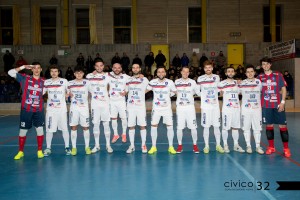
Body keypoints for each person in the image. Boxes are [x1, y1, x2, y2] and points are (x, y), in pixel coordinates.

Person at [8, 63, 45, 159]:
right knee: (22, 132)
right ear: (31, 70)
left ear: (41, 69)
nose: (36, 70)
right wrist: (23, 66)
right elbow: (10, 72)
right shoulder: (25, 78)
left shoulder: (45, 81)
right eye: (34, 68)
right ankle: (20, 152)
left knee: (40, 130)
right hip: (26, 110)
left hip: (39, 110)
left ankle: (40, 151)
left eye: (38, 68)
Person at [257, 57, 291, 157]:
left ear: (270, 64)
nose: (265, 66)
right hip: (266, 106)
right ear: (261, 66)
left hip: (278, 105)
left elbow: (283, 89)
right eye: (263, 64)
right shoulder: (259, 77)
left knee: (282, 126)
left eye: (267, 64)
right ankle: (271, 147)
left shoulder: (278, 75)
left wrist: (283, 102)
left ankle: (286, 148)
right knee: (269, 126)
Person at [147, 67, 177, 154]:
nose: (160, 73)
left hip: (167, 109)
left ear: (165, 73)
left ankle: (171, 147)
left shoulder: (170, 82)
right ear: (156, 73)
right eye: (159, 72)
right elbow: (144, 90)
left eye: (162, 72)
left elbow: (176, 92)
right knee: (153, 126)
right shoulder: (152, 82)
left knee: (170, 127)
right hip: (156, 109)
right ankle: (153, 147)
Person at [197, 60, 225, 154]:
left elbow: (219, 89)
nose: (208, 69)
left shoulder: (217, 77)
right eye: (206, 68)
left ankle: (218, 145)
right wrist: (203, 96)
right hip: (205, 106)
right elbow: (197, 91)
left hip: (215, 106)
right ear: (204, 69)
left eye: (209, 67)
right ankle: (206, 146)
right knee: (206, 127)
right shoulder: (200, 78)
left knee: (217, 126)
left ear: (212, 68)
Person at [86, 59, 113, 154]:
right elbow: (87, 89)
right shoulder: (89, 76)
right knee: (96, 125)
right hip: (94, 105)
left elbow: (120, 76)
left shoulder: (108, 76)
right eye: (97, 66)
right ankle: (97, 145)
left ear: (104, 66)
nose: (99, 67)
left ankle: (108, 145)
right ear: (94, 67)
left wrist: (140, 75)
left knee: (106, 125)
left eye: (101, 65)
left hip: (105, 105)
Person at [43, 65, 71, 156]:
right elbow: (41, 92)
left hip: (62, 110)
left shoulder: (64, 81)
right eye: (52, 71)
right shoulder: (46, 82)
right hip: (51, 110)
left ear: (58, 72)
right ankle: (48, 148)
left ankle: (67, 147)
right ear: (50, 72)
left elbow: (70, 90)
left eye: (55, 71)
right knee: (49, 130)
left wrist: (68, 94)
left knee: (65, 129)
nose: (54, 73)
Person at [218, 66, 245, 153]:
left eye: (232, 71)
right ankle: (225, 144)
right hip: (227, 109)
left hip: (236, 109)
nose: (230, 73)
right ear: (226, 73)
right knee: (225, 128)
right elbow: (217, 94)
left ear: (234, 73)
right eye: (228, 71)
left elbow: (243, 92)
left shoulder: (238, 83)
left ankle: (236, 145)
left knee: (235, 127)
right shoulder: (221, 83)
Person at [239, 65, 264, 154]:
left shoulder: (259, 82)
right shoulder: (241, 83)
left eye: (251, 71)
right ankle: (248, 146)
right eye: (248, 72)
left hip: (257, 109)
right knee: (246, 128)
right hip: (246, 109)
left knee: (257, 128)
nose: (250, 73)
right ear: (245, 73)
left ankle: (258, 146)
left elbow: (263, 92)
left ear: (254, 72)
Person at [175, 66, 200, 154]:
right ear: (181, 72)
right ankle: (179, 145)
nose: (185, 73)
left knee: (193, 127)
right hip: (180, 107)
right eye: (184, 71)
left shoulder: (193, 82)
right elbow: (171, 91)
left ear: (189, 73)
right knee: (179, 127)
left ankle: (195, 145)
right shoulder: (176, 82)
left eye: (187, 72)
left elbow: (199, 92)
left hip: (190, 107)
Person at [125, 63, 149, 154]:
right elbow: (126, 91)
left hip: (140, 107)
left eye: (137, 68)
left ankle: (143, 145)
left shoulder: (144, 79)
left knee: (142, 126)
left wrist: (142, 93)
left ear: (139, 69)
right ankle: (132, 146)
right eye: (133, 68)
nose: (135, 69)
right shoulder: (128, 79)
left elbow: (150, 88)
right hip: (130, 106)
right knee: (131, 126)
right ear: (132, 69)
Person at [68, 66, 91, 155]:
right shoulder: (69, 83)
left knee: (86, 127)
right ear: (74, 74)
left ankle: (87, 147)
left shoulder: (87, 82)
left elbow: (94, 91)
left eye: (80, 73)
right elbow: (65, 93)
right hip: (74, 108)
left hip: (84, 109)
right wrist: (67, 94)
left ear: (83, 74)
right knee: (73, 127)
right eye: (77, 73)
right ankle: (74, 148)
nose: (79, 74)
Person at [109, 62, 130, 144]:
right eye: (115, 67)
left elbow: (134, 80)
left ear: (121, 69)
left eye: (118, 67)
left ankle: (124, 134)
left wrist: (126, 91)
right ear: (112, 68)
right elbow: (97, 75)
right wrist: (94, 72)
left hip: (121, 101)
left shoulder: (126, 77)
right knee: (113, 118)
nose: (116, 69)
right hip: (111, 101)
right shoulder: (108, 75)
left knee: (124, 118)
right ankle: (115, 134)